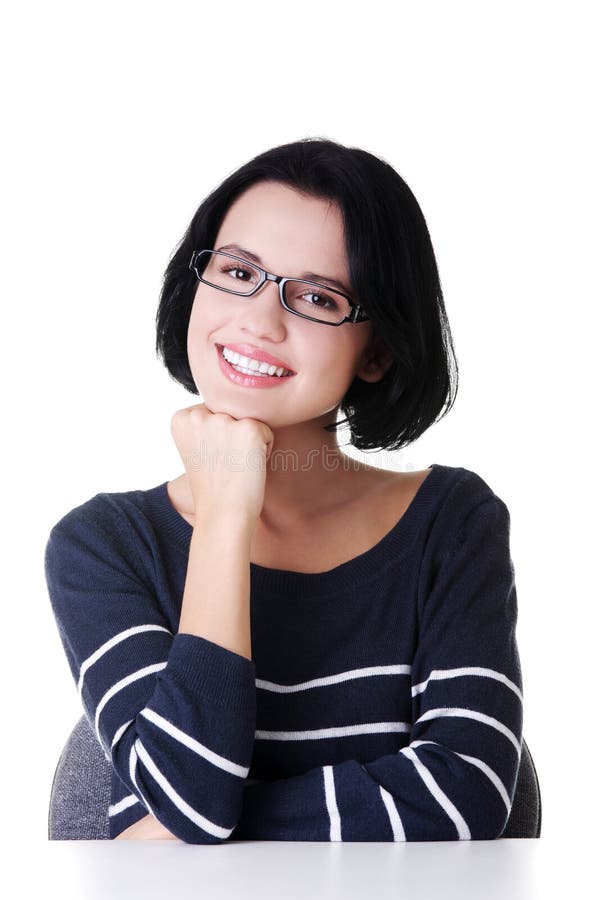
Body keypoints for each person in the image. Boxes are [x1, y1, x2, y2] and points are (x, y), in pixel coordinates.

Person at [44, 137, 524, 843]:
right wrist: (227, 514)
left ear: (379, 350)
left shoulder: (452, 525)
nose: (260, 321)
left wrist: (192, 830)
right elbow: (191, 792)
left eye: (318, 296)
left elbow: (467, 799)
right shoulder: (103, 545)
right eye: (238, 271)